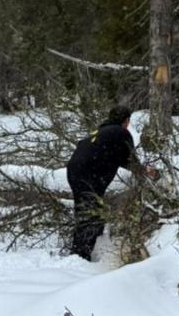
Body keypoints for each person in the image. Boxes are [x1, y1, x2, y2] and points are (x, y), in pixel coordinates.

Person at [65, 106, 157, 261]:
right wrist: (145, 171)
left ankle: (83, 252)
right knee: (90, 215)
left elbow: (120, 158)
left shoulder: (100, 133)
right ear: (126, 120)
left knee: (87, 212)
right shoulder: (121, 133)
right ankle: (79, 257)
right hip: (90, 173)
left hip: (74, 171)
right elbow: (130, 159)